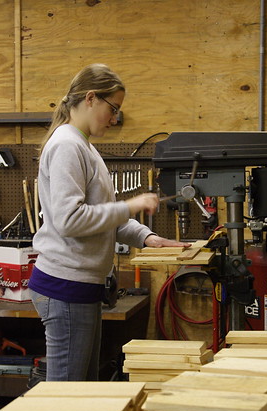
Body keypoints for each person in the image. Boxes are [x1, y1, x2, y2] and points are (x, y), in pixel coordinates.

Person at [28, 63, 190, 382]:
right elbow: (70, 220)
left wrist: (146, 237)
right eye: (112, 108)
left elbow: (101, 217)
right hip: (65, 286)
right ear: (90, 98)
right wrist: (130, 205)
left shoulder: (84, 147)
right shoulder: (67, 146)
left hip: (81, 287)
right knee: (65, 395)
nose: (115, 118)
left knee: (83, 389)